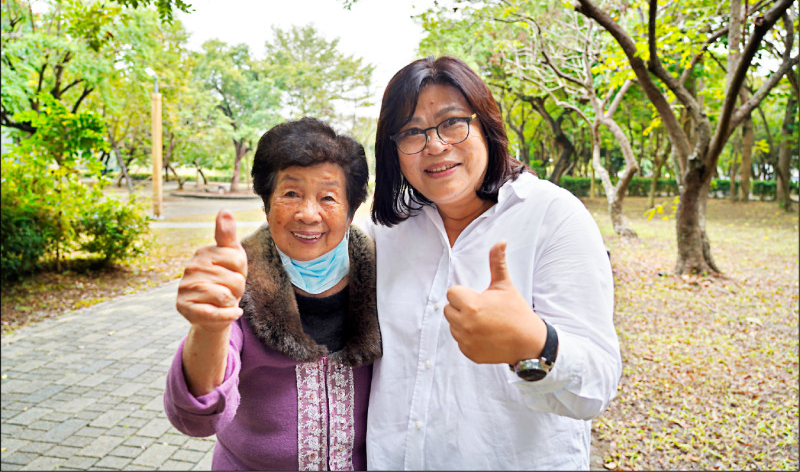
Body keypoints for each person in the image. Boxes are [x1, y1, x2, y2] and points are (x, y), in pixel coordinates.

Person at [365, 56, 621, 470]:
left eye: (452, 122)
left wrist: (536, 344)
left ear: (485, 124)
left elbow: (597, 386)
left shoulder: (552, 216)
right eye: (412, 132)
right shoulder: (387, 232)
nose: (434, 145)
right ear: (394, 149)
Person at [163, 118, 381, 471]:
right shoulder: (237, 281)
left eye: (328, 197)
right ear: (267, 203)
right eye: (291, 193)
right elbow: (194, 419)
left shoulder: (384, 279)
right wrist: (209, 326)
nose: (308, 214)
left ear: (352, 210)